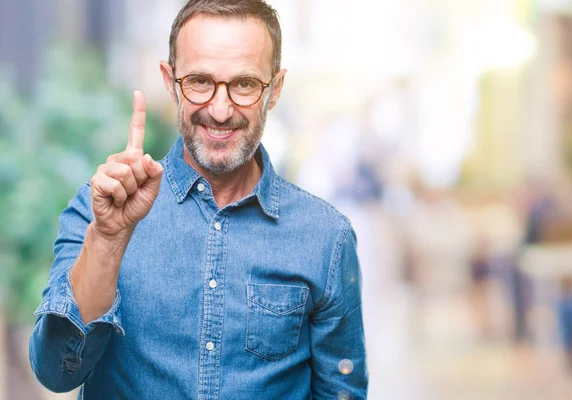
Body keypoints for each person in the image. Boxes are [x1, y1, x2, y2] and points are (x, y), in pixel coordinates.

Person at [28, 1, 368, 399]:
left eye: (243, 84)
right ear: (170, 80)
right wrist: (106, 242)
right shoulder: (98, 211)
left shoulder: (326, 238)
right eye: (200, 81)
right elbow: (55, 372)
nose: (220, 111)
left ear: (274, 90)